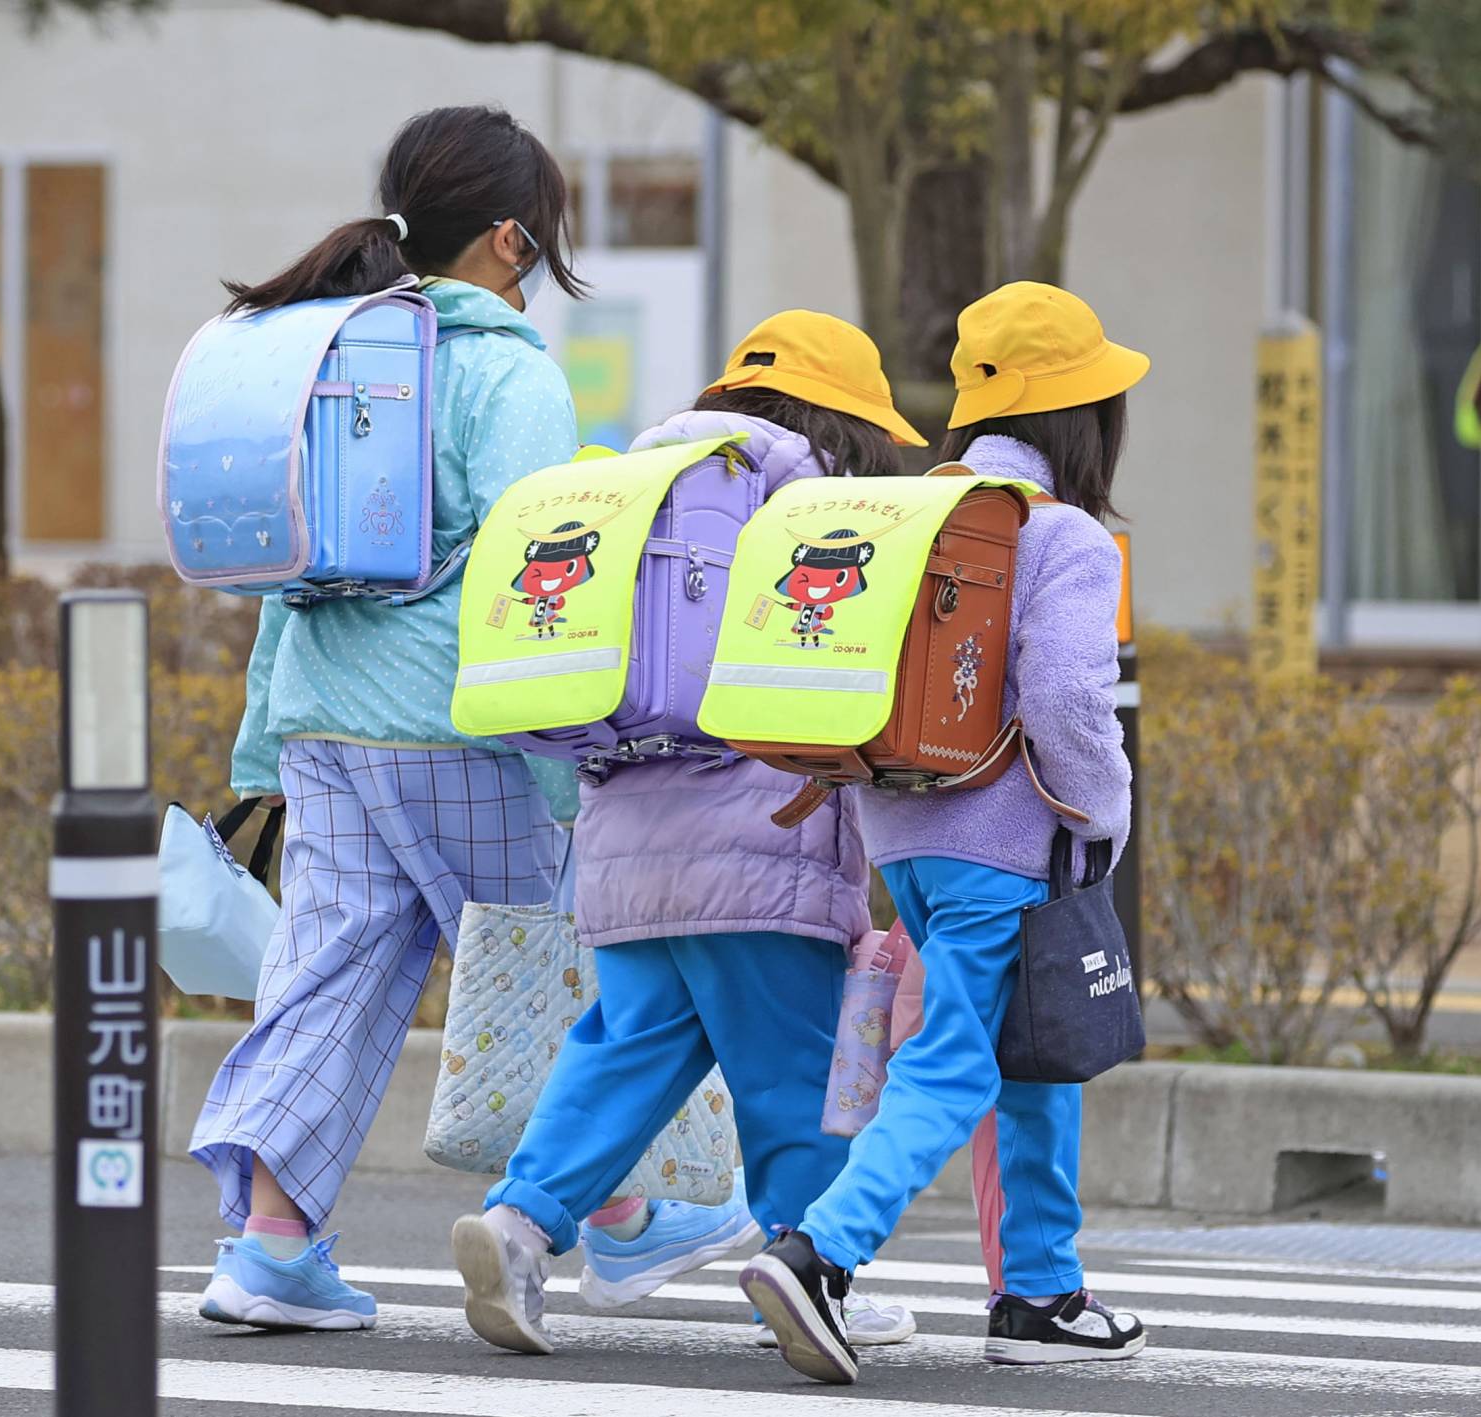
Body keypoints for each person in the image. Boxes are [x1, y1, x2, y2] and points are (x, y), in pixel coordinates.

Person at [450, 312, 926, 1357]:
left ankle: (520, 1223)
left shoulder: (636, 481)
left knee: (623, 1051)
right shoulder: (809, 501)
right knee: (791, 1074)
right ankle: (812, 1274)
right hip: (758, 846)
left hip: (624, 842)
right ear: (838, 423)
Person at [190, 105, 592, 1332]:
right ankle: (634, 1209)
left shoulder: (333, 351)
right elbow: (541, 575)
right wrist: (572, 766)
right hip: (456, 721)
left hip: (323, 717)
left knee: (328, 975)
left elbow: (283, 557)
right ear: (513, 243)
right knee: (567, 952)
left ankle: (269, 1245)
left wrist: (263, 743)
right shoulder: (509, 371)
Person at [742, 282, 1149, 1384]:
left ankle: (1038, 1290)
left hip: (902, 829)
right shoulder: (1061, 536)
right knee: (960, 1061)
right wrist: (1103, 811)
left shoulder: (910, 508)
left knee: (1034, 1054)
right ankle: (821, 1254)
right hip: (1006, 844)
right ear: (1083, 417)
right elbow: (1067, 701)